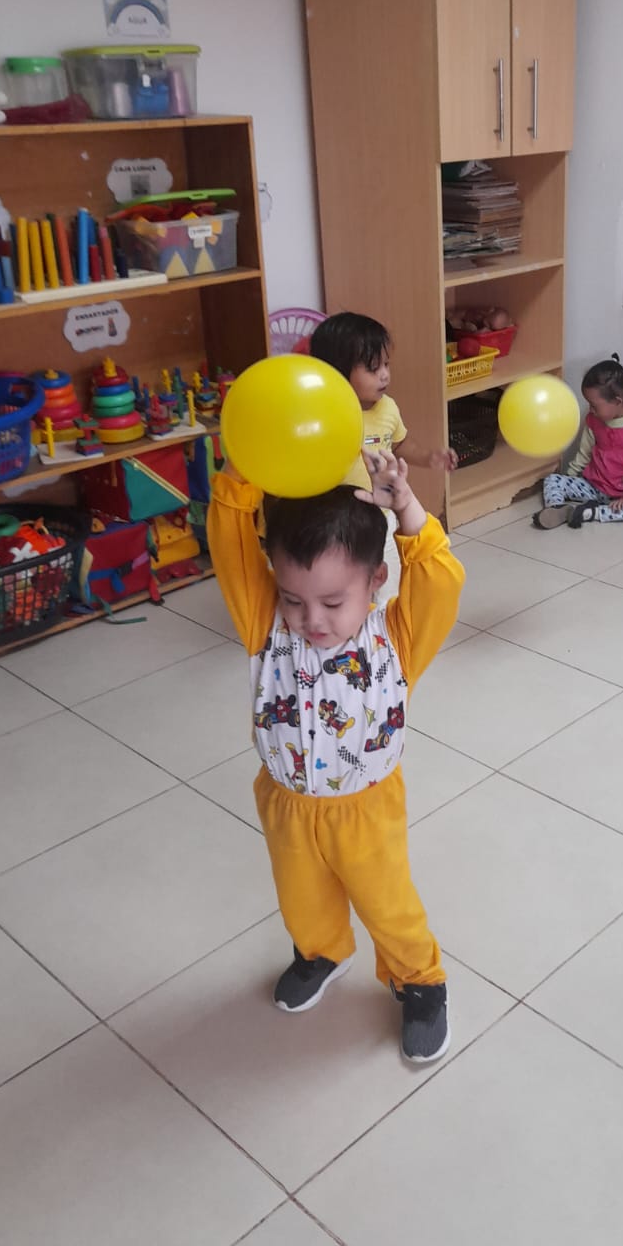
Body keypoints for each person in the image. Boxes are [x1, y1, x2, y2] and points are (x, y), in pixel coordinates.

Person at [207, 447, 464, 1063]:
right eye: (293, 598)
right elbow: (229, 537)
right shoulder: (264, 623)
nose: (310, 620)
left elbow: (440, 578)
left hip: (365, 809)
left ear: (375, 581)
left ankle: (420, 980)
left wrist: (408, 511)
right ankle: (321, 952)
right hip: (286, 802)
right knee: (300, 895)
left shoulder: (396, 637)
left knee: (387, 902)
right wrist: (247, 463)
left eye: (331, 602)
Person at [309, 312, 457, 489]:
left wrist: (428, 457)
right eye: (373, 368)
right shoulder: (324, 415)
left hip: (383, 501)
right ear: (337, 372)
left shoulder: (388, 407)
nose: (385, 375)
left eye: (386, 364)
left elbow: (399, 445)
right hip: (343, 504)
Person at [533, 355, 623, 529]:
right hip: (594, 487)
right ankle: (558, 510)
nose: (590, 409)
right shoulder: (593, 420)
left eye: (594, 405)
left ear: (617, 401)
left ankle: (591, 513)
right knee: (552, 480)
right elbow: (584, 453)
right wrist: (570, 476)